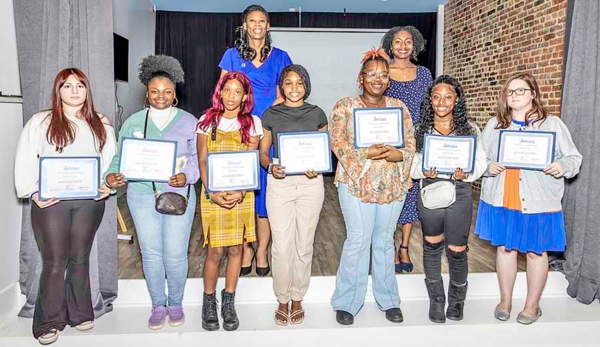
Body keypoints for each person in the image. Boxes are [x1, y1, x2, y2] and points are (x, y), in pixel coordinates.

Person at [14, 68, 117, 345]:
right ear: (58, 90)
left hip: (89, 203)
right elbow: (25, 159)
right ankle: (48, 321)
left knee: (80, 258)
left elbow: (111, 162)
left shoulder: (101, 124)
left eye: (80, 85)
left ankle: (81, 313)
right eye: (67, 85)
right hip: (52, 203)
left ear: (87, 90)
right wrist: (33, 191)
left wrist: (107, 185)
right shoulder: (40, 122)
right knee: (55, 261)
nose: (74, 90)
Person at [475, 72, 582, 324]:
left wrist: (561, 166)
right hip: (502, 197)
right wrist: (488, 167)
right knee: (505, 248)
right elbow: (481, 159)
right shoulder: (495, 124)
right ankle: (505, 299)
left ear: (533, 93)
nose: (514, 96)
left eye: (520, 90)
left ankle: (532, 305)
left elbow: (573, 158)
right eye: (510, 91)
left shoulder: (552, 124)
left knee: (536, 251)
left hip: (537, 199)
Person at [105, 55, 199, 330]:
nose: (161, 96)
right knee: (151, 253)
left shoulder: (190, 122)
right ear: (147, 93)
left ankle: (176, 303)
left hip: (179, 194)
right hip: (141, 194)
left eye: (167, 91)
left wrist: (187, 175)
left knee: (175, 253)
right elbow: (120, 157)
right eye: (155, 91)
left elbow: (197, 158)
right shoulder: (133, 122)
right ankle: (158, 304)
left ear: (175, 94)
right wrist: (111, 176)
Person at [330, 48, 415, 326]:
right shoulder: (344, 106)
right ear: (361, 77)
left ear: (388, 80)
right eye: (372, 74)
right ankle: (347, 301)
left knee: (383, 240)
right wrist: (365, 153)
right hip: (356, 183)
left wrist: (399, 154)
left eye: (383, 75)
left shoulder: (398, 108)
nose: (377, 79)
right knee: (358, 240)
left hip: (392, 183)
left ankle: (388, 299)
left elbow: (411, 142)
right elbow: (338, 143)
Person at [219, 4, 293, 276]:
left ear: (268, 25)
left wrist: (264, 121)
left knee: (264, 197)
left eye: (262, 20)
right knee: (242, 193)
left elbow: (285, 92)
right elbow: (223, 91)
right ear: (245, 26)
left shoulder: (281, 56)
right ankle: (246, 249)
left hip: (269, 133)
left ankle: (262, 250)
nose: (258, 25)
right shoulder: (231, 55)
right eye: (252, 21)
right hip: (239, 132)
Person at [410, 75, 487, 323]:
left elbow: (480, 163)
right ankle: (437, 301)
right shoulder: (420, 129)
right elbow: (410, 165)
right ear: (430, 100)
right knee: (432, 246)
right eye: (436, 97)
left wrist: (468, 173)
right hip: (430, 190)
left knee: (457, 249)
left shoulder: (470, 129)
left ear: (456, 101)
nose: (441, 102)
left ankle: (456, 302)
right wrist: (422, 170)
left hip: (460, 191)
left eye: (448, 97)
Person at [260, 65, 328, 325]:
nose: (294, 88)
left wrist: (318, 166)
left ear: (306, 86)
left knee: (304, 244)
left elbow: (323, 150)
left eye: (299, 82)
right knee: (281, 245)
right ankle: (282, 298)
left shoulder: (318, 113)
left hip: (311, 183)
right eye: (288, 83)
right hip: (281, 182)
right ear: (282, 86)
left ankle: (298, 296)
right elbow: (263, 152)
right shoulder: (271, 114)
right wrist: (270, 166)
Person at [196, 71, 263, 331]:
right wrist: (212, 191)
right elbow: (202, 159)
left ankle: (228, 301)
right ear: (220, 92)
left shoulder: (253, 123)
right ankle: (209, 301)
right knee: (214, 251)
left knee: (236, 250)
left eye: (238, 91)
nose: (232, 96)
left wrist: (241, 192)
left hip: (241, 194)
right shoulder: (206, 120)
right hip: (212, 194)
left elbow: (251, 161)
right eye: (227, 90)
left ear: (245, 95)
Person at [381, 25, 433, 273]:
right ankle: (389, 245)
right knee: (391, 193)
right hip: (388, 140)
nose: (403, 46)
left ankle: (404, 246)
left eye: (408, 42)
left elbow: (429, 108)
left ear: (416, 45)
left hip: (415, 140)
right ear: (390, 44)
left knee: (411, 194)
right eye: (398, 41)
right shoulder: (382, 70)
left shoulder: (423, 74)